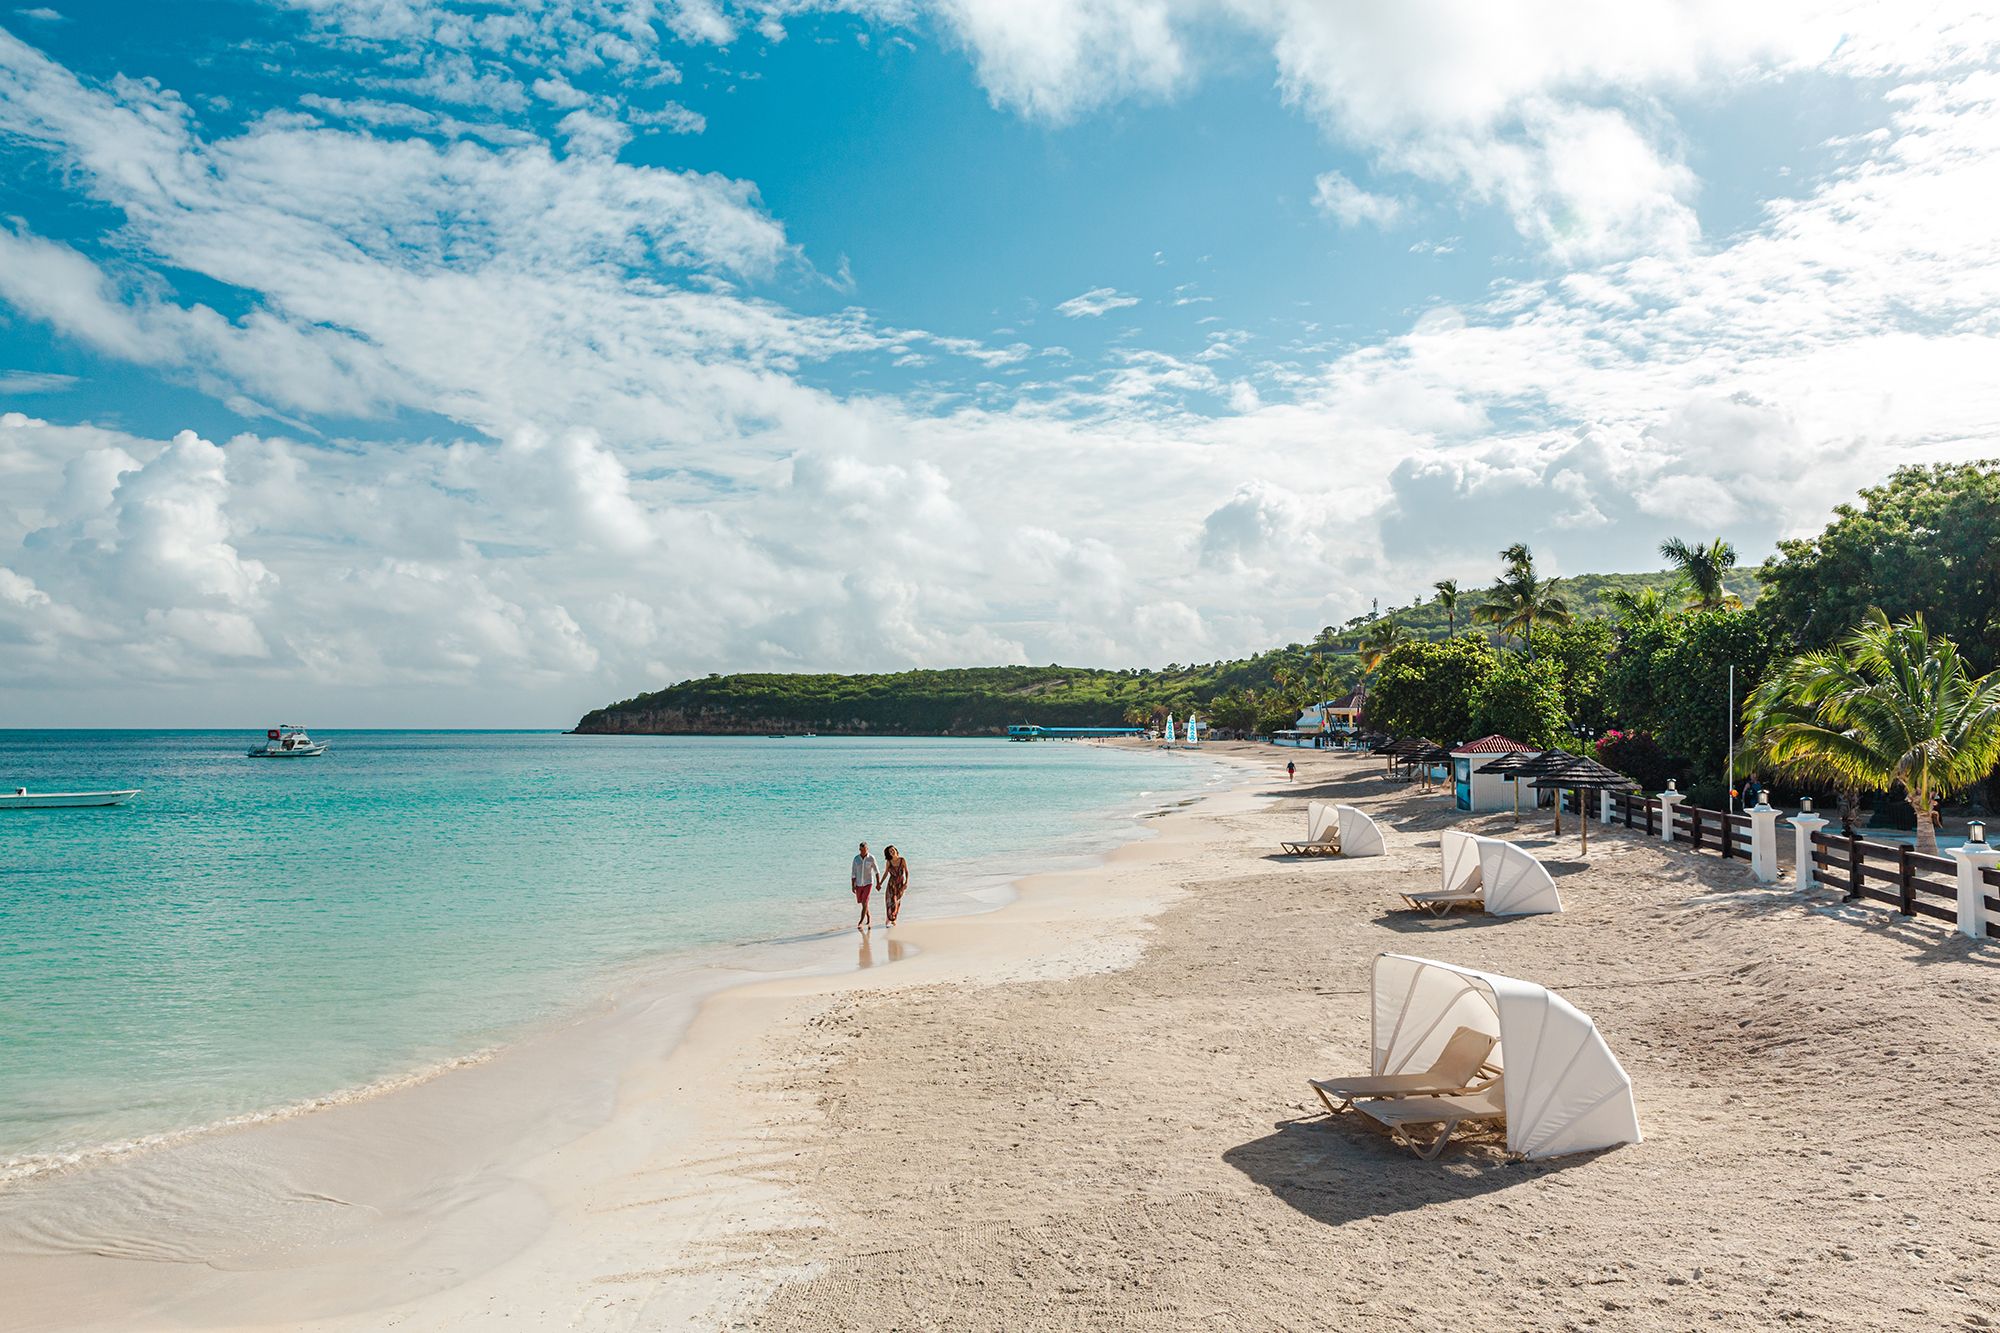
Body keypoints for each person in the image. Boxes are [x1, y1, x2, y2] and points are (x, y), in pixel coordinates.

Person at [851, 841, 880, 931]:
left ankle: (860, 922)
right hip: (859, 884)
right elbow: (853, 873)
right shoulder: (856, 859)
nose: (862, 851)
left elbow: (876, 871)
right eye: (861, 850)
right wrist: (853, 885)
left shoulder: (871, 858)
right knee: (863, 903)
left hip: (868, 883)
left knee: (864, 902)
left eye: (864, 850)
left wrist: (878, 883)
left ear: (867, 849)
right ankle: (868, 917)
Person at [882, 845, 909, 926]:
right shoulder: (889, 862)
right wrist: (880, 882)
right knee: (890, 901)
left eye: (893, 850)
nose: (892, 852)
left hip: (900, 883)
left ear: (896, 850)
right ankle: (889, 917)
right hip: (891, 884)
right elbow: (886, 873)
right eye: (890, 851)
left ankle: (893, 918)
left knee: (897, 901)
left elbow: (906, 871)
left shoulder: (902, 860)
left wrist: (906, 883)